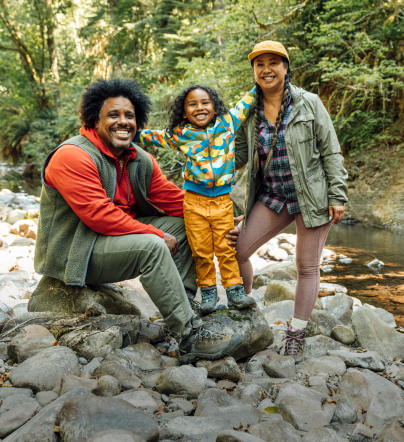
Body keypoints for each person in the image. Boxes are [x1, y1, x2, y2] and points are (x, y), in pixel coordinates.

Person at [34, 78, 242, 362]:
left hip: (116, 244)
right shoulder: (72, 156)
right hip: (77, 253)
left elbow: (178, 201)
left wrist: (226, 218)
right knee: (152, 245)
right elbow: (99, 215)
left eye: (129, 116)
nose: (123, 122)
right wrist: (154, 235)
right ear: (94, 119)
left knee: (190, 225)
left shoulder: (139, 159)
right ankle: (191, 336)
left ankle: (184, 309)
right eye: (113, 115)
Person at [233, 40, 348, 358]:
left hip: (311, 197)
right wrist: (208, 176)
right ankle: (243, 309)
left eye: (273, 62)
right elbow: (239, 156)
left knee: (306, 266)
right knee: (238, 250)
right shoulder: (247, 109)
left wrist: (338, 195)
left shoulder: (309, 103)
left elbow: (330, 150)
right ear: (254, 71)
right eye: (259, 64)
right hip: (271, 196)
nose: (266, 69)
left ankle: (295, 332)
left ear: (285, 67)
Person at [134, 84, 257, 315]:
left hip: (222, 201)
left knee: (225, 248)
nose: (199, 108)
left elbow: (247, 101)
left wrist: (261, 82)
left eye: (205, 102)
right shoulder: (181, 134)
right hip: (194, 202)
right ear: (184, 111)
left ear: (215, 106)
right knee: (200, 251)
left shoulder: (228, 123)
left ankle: (234, 291)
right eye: (192, 104)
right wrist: (130, 133)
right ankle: (209, 293)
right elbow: (153, 136)